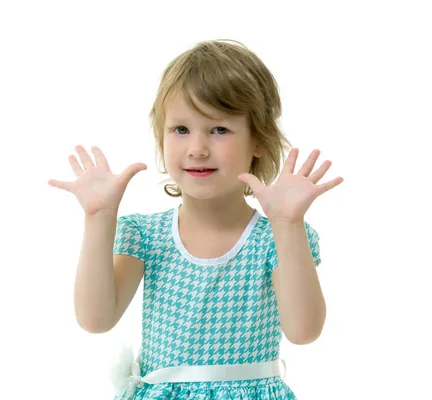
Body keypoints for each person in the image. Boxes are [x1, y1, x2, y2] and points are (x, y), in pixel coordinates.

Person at [48, 39, 344, 400]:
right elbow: (96, 319)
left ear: (258, 141)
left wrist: (287, 226)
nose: (197, 148)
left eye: (219, 130)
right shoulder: (146, 235)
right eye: (181, 130)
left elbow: (304, 330)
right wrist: (98, 217)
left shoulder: (276, 239)